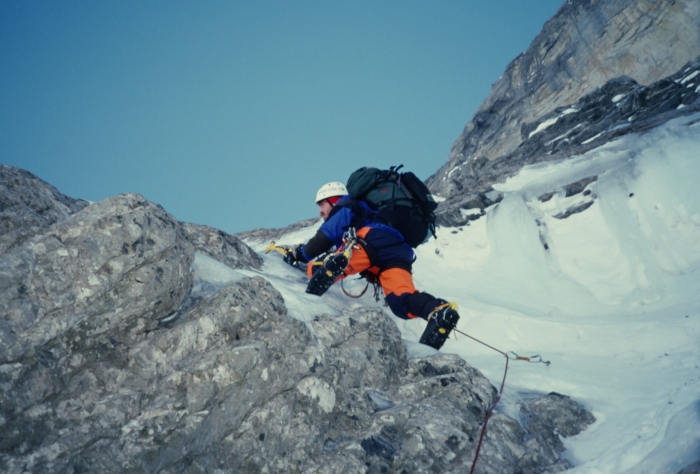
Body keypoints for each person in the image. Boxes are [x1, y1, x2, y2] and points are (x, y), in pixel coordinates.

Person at [283, 181, 460, 350]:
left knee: (316, 268)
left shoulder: (346, 205)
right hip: (397, 251)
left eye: (322, 204)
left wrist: (298, 254)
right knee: (401, 301)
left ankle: (334, 265)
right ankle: (438, 310)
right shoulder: (370, 211)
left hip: (371, 241)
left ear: (334, 199)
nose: (321, 211)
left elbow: (322, 239)